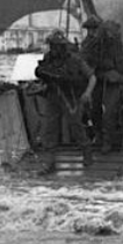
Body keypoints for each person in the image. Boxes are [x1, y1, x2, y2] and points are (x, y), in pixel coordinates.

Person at [34, 30, 96, 169]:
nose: (53, 49)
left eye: (55, 45)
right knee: (51, 127)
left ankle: (87, 152)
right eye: (52, 45)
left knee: (76, 126)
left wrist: (87, 93)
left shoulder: (75, 60)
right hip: (53, 95)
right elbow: (42, 73)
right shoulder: (48, 58)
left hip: (71, 97)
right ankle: (50, 161)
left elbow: (92, 77)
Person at [82, 21, 123, 153]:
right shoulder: (95, 47)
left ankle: (107, 142)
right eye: (107, 33)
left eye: (112, 33)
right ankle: (99, 137)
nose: (109, 36)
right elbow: (85, 63)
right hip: (98, 83)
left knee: (109, 113)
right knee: (94, 111)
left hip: (115, 84)